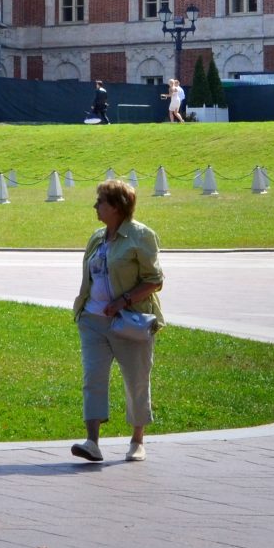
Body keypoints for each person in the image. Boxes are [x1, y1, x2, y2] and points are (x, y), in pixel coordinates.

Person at [71, 178, 164, 464]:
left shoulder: (141, 236)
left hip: (128, 322)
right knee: (93, 378)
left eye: (100, 201)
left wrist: (122, 302)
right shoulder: (97, 237)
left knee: (136, 380)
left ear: (116, 207)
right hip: (92, 320)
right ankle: (92, 442)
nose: (95, 206)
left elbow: (155, 280)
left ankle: (137, 440)